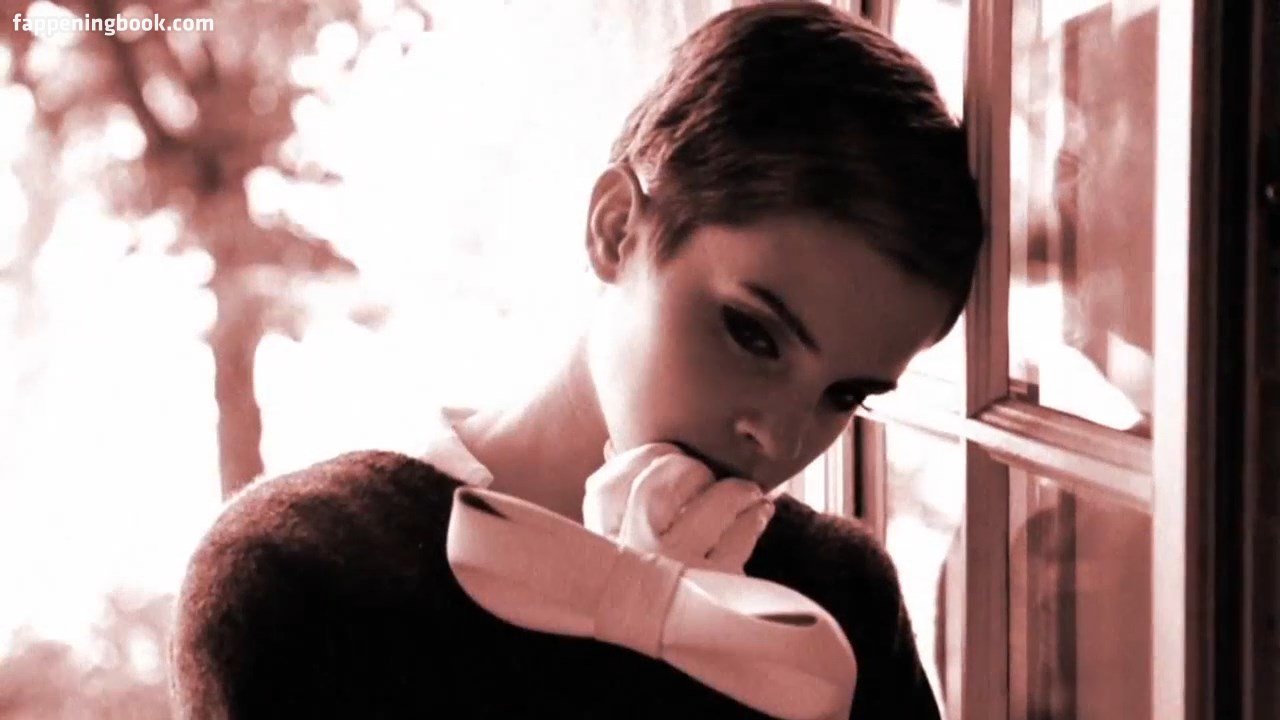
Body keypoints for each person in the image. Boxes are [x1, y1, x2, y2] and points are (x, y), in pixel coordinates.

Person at [168, 2, 984, 718]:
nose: (777, 437)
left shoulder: (836, 604)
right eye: (752, 333)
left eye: (844, 395)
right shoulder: (302, 575)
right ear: (616, 229)